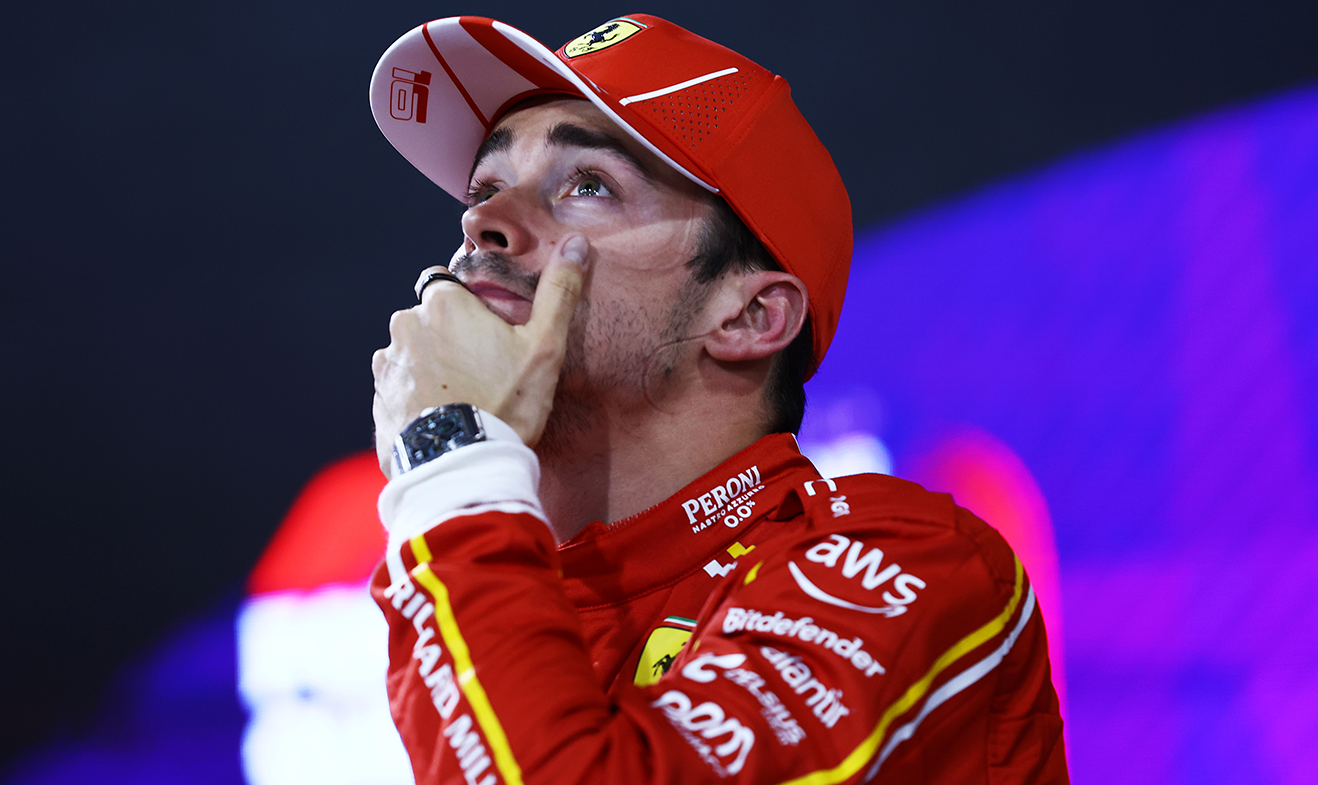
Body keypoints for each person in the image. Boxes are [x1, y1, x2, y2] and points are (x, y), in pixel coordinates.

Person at [367, 14, 1068, 784]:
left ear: (748, 316)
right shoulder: (473, 564)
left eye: (588, 185)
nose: (481, 222)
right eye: (487, 187)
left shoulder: (911, 566)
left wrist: (447, 456)